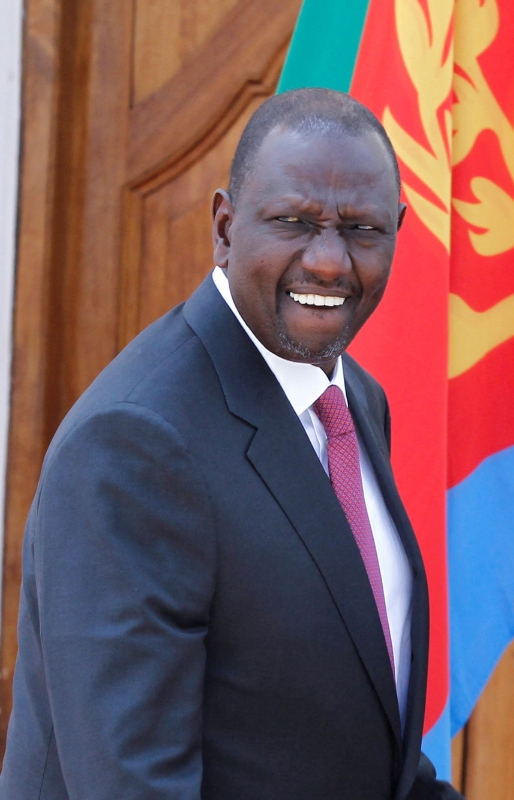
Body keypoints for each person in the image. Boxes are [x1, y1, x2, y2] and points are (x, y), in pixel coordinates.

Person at [0, 88, 461, 800]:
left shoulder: (352, 400)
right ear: (224, 225)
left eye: (362, 229)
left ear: (399, 231)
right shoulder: (135, 445)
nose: (331, 262)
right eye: (295, 222)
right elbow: (133, 785)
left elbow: (364, 743)